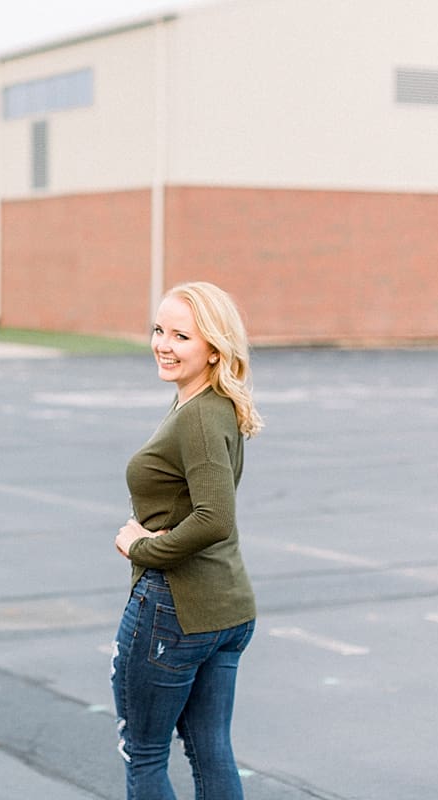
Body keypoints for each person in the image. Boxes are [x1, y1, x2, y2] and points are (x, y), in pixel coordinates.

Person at [111, 282, 264, 800]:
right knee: (210, 749)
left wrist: (141, 548)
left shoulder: (199, 414)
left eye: (182, 335)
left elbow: (214, 518)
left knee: (145, 752)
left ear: (215, 349)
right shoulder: (212, 403)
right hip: (224, 611)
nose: (163, 344)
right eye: (159, 330)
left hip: (175, 612)